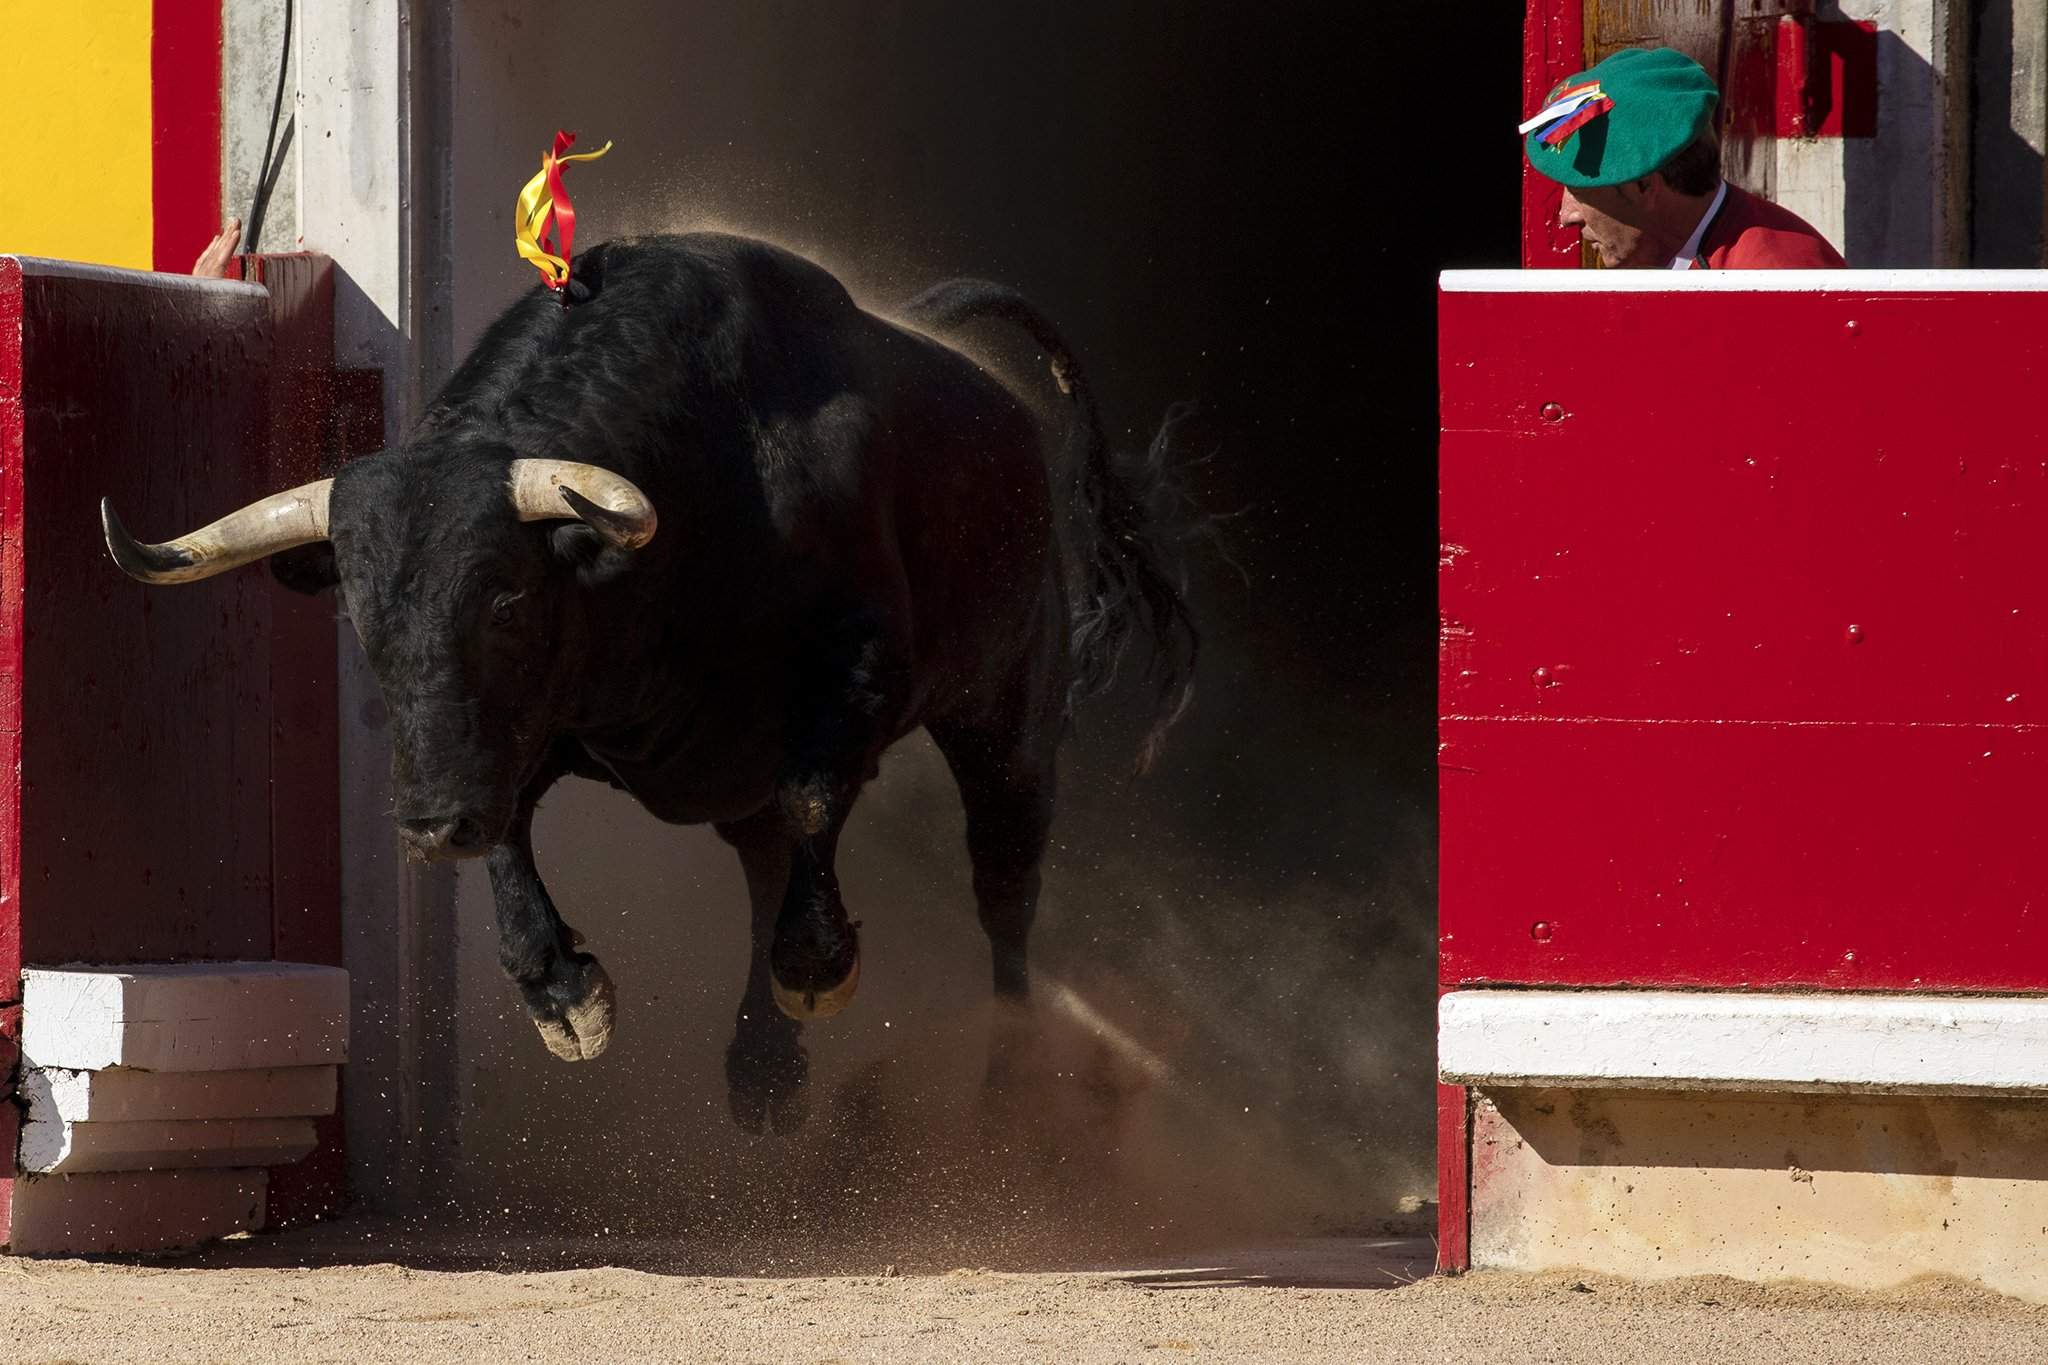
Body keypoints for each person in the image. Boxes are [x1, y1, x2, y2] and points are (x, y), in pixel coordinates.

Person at [1521, 46, 1846, 269]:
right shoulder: (1673, 252)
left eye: (1578, 190)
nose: (1566, 216)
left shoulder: (1773, 281)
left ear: (1645, 186)